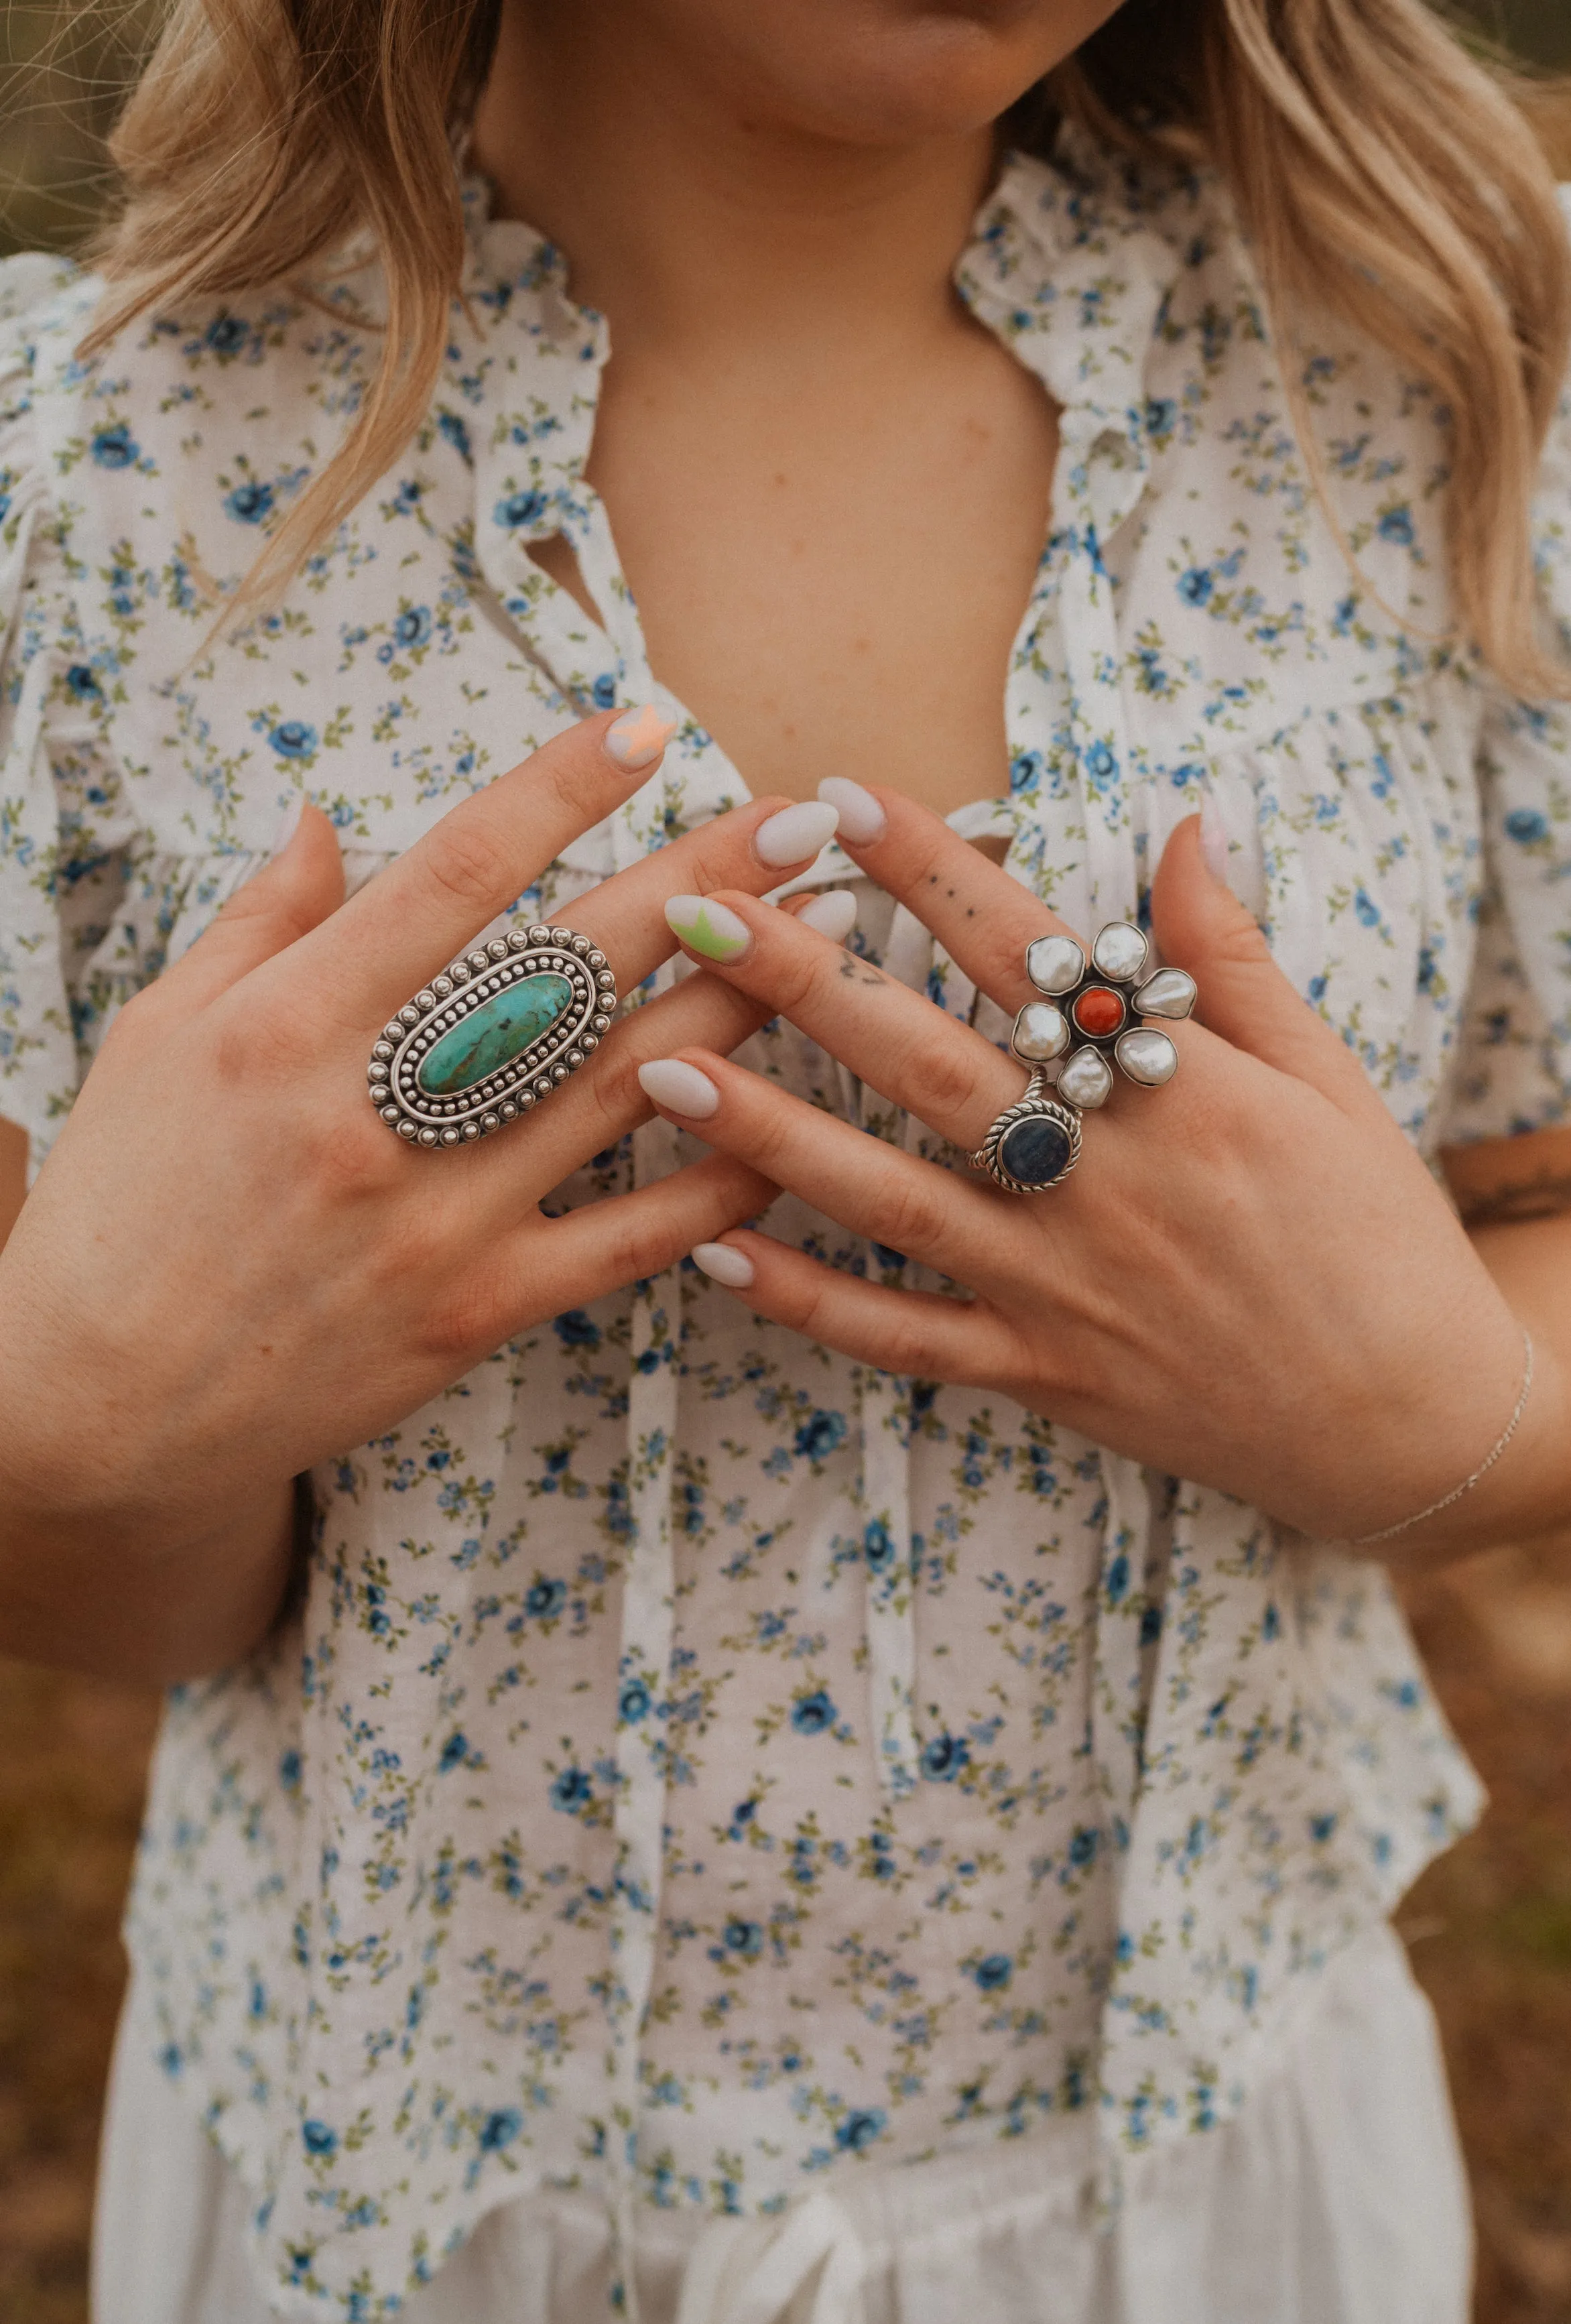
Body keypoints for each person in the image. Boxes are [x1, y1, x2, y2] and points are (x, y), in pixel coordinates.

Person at [1, 0, 1570, 2317]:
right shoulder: (80, 475)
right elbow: (139, 1590)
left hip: (1211, 2193)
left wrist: (1463, 1431)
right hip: (389, 2199)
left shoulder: (1444, 384)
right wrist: (84, 1431)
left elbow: (1537, 1189)